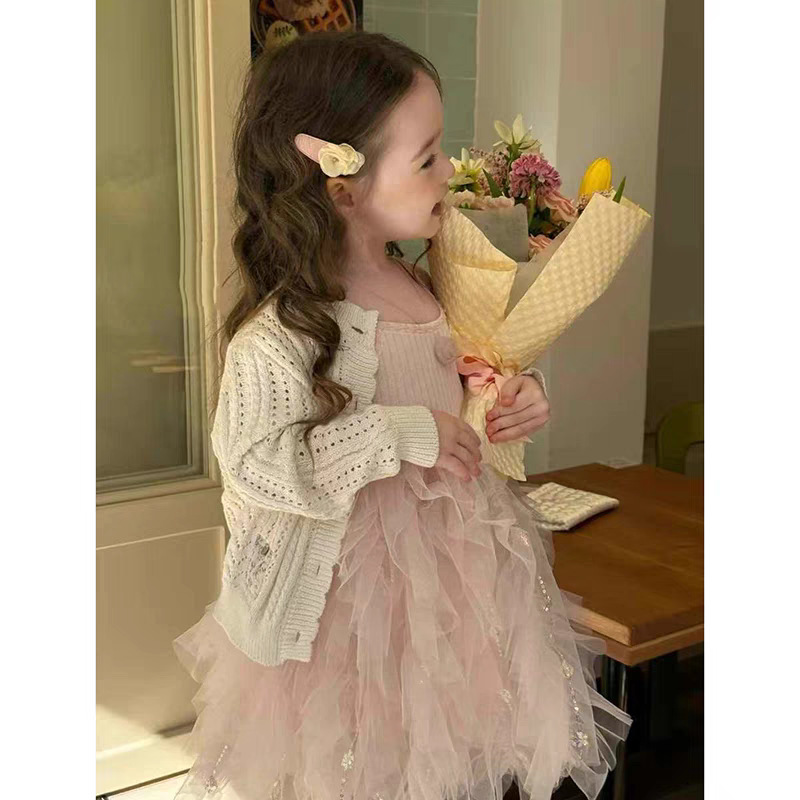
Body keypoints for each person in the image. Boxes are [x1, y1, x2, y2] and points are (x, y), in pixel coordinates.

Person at [172, 30, 632, 800]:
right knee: (360, 770)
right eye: (426, 159)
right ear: (342, 187)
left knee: (446, 758)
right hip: (349, 617)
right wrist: (404, 431)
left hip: (455, 591)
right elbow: (258, 464)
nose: (449, 171)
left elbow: (461, 387)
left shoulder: (429, 282)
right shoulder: (285, 332)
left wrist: (506, 396)